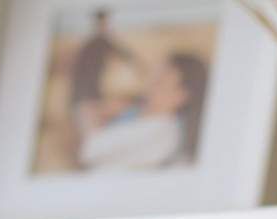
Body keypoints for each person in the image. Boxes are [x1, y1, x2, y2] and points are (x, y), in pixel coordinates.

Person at [77, 54, 209, 171]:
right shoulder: (137, 116)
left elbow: (90, 151)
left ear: (181, 96)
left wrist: (91, 115)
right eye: (152, 76)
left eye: (159, 82)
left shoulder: (161, 133)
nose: (149, 86)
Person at [68, 9, 139, 144]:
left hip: (91, 96)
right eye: (105, 23)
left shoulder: (97, 43)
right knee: (93, 138)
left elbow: (125, 54)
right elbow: (125, 53)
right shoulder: (95, 43)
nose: (107, 27)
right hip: (85, 98)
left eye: (107, 23)